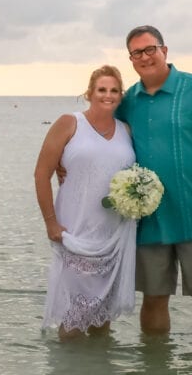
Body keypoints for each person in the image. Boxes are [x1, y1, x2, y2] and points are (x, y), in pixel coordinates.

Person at [114, 25, 192, 340]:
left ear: (164, 51)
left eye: (150, 49)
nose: (145, 57)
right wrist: (63, 163)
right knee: (153, 298)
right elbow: (102, 136)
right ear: (131, 59)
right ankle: (155, 371)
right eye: (137, 53)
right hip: (150, 218)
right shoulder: (129, 100)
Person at [34, 65, 137, 338]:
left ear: (121, 95)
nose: (108, 95)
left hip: (114, 236)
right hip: (75, 232)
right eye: (102, 89)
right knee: (72, 323)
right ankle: (68, 374)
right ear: (89, 93)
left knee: (102, 323)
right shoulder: (69, 123)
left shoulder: (126, 129)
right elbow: (41, 173)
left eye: (114, 90)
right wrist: (50, 223)